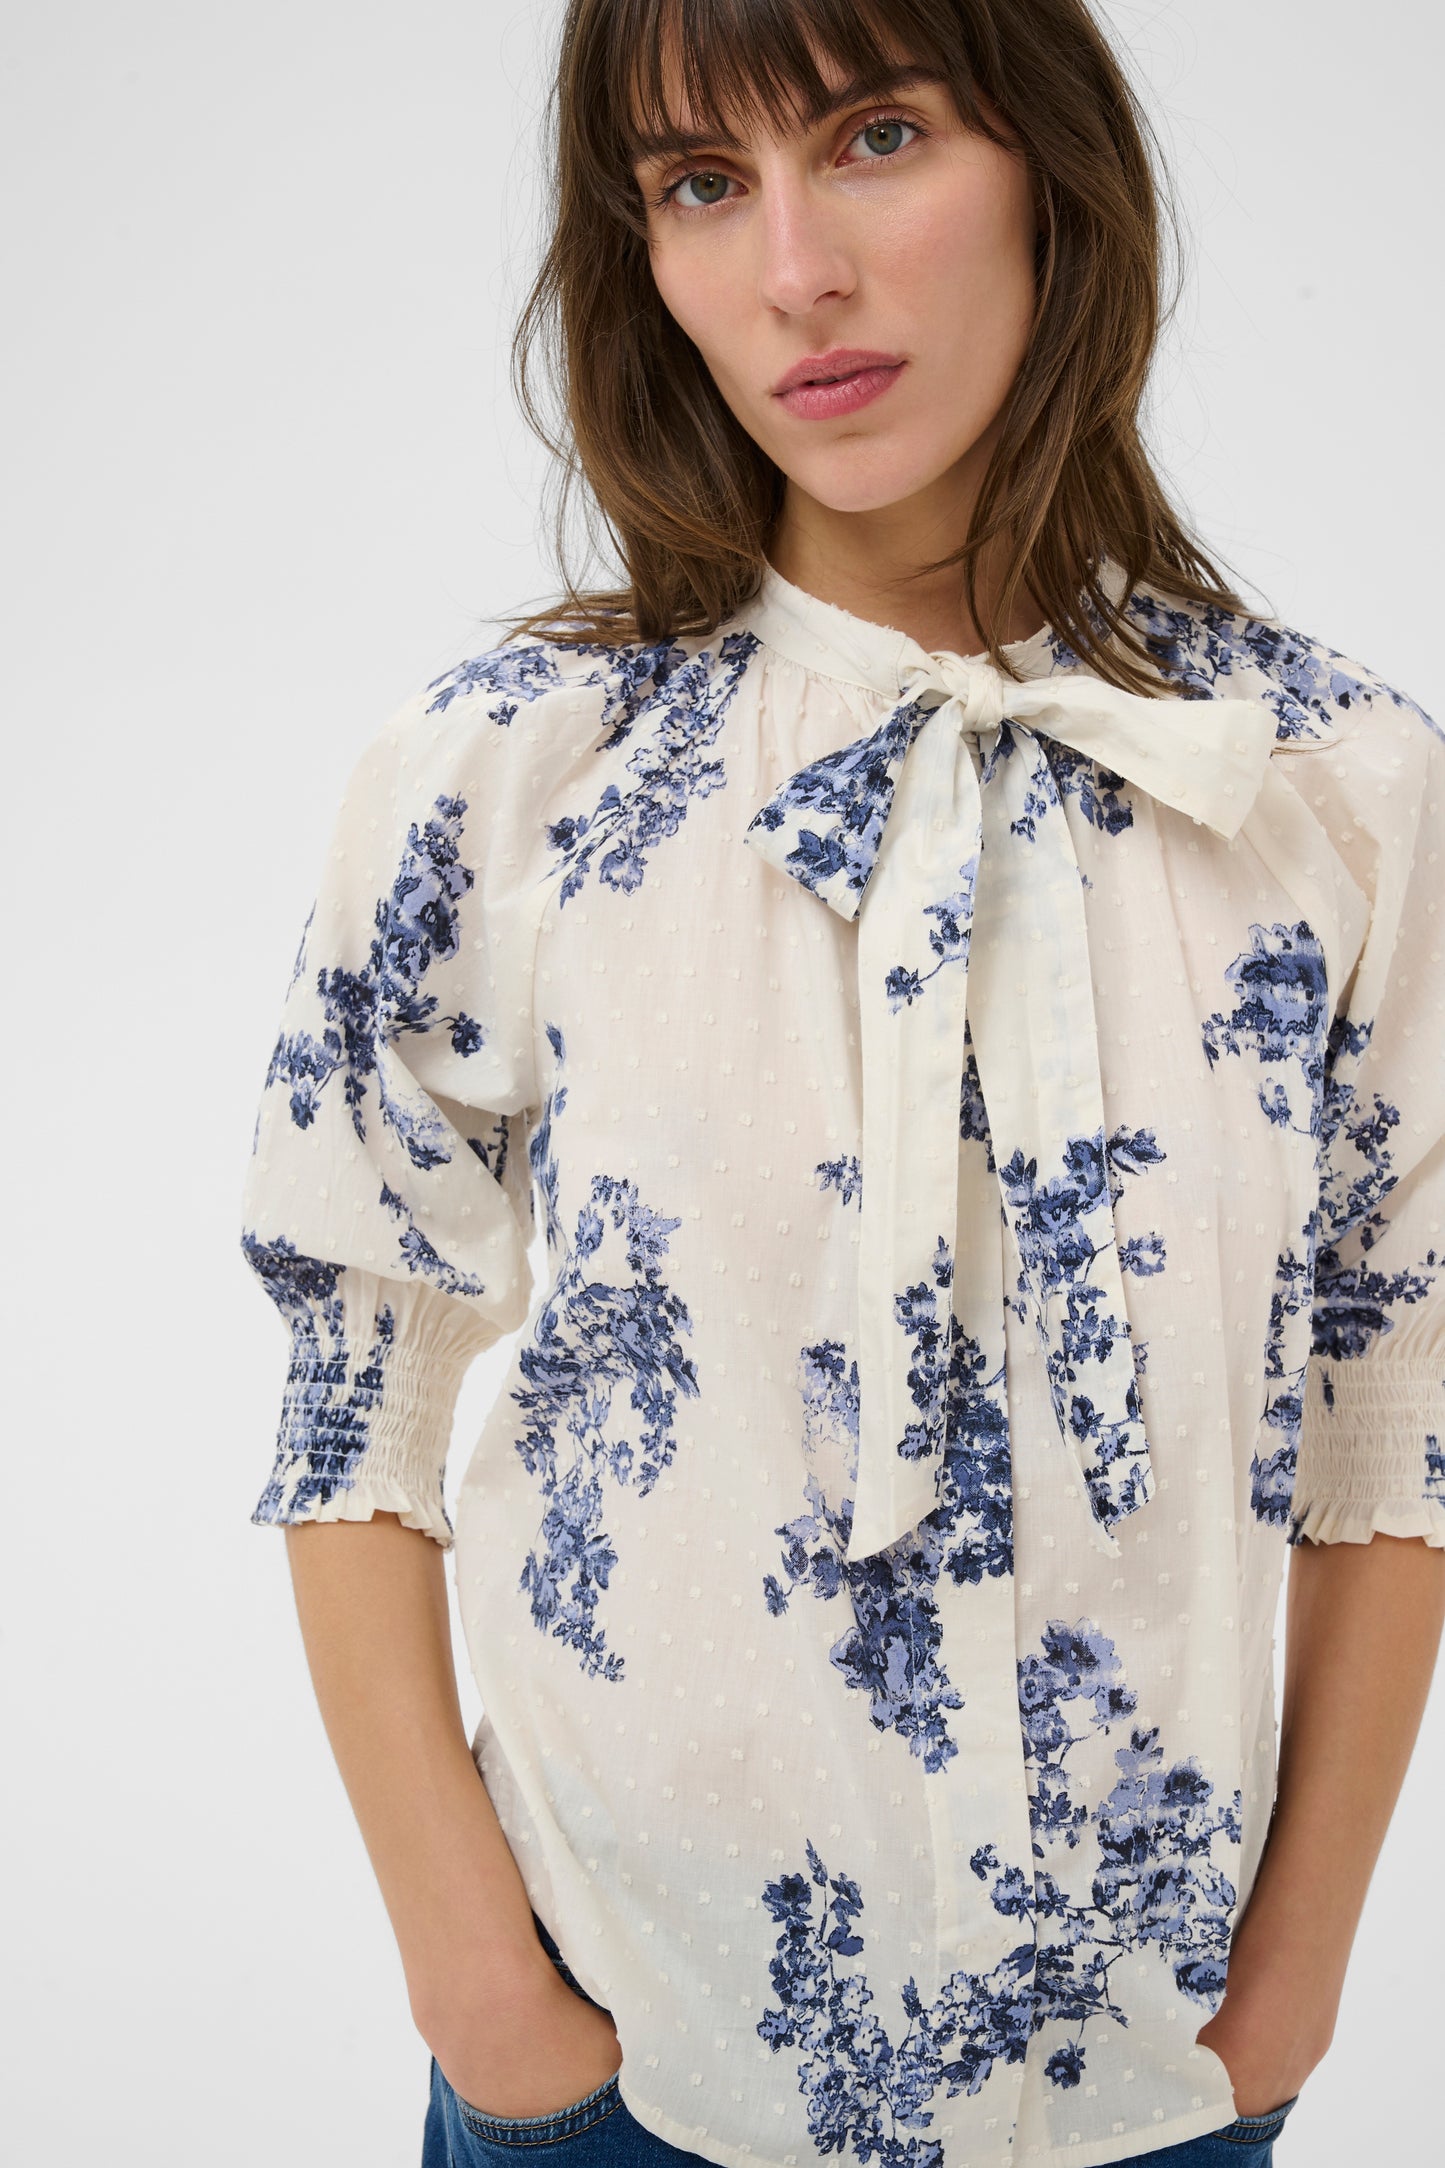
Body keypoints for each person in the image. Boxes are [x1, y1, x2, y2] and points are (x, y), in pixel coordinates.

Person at [237, 3, 1445, 2165]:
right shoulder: (514, 772)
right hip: (622, 2069)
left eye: (876, 136)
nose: (793, 270)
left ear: (1053, 167)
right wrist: (478, 1987)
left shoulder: (1326, 791)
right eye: (702, 185)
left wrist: (1292, 1987)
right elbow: (360, 1374)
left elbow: (1399, 1403)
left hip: (1150, 2085)